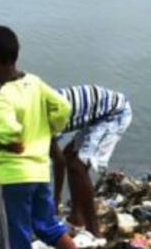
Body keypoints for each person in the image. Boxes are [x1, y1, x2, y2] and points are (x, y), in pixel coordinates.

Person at [0, 26, 108, 249]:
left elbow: (8, 127)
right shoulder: (34, 83)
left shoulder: (0, 99)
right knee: (48, 225)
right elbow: (62, 107)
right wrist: (49, 130)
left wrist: (11, 140)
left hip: (13, 177)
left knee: (16, 235)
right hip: (38, 171)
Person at [50, 84, 133, 238]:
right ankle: (76, 218)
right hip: (97, 114)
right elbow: (60, 158)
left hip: (114, 113)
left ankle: (94, 232)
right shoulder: (34, 108)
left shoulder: (43, 117)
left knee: (78, 165)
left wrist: (56, 199)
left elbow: (58, 161)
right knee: (71, 156)